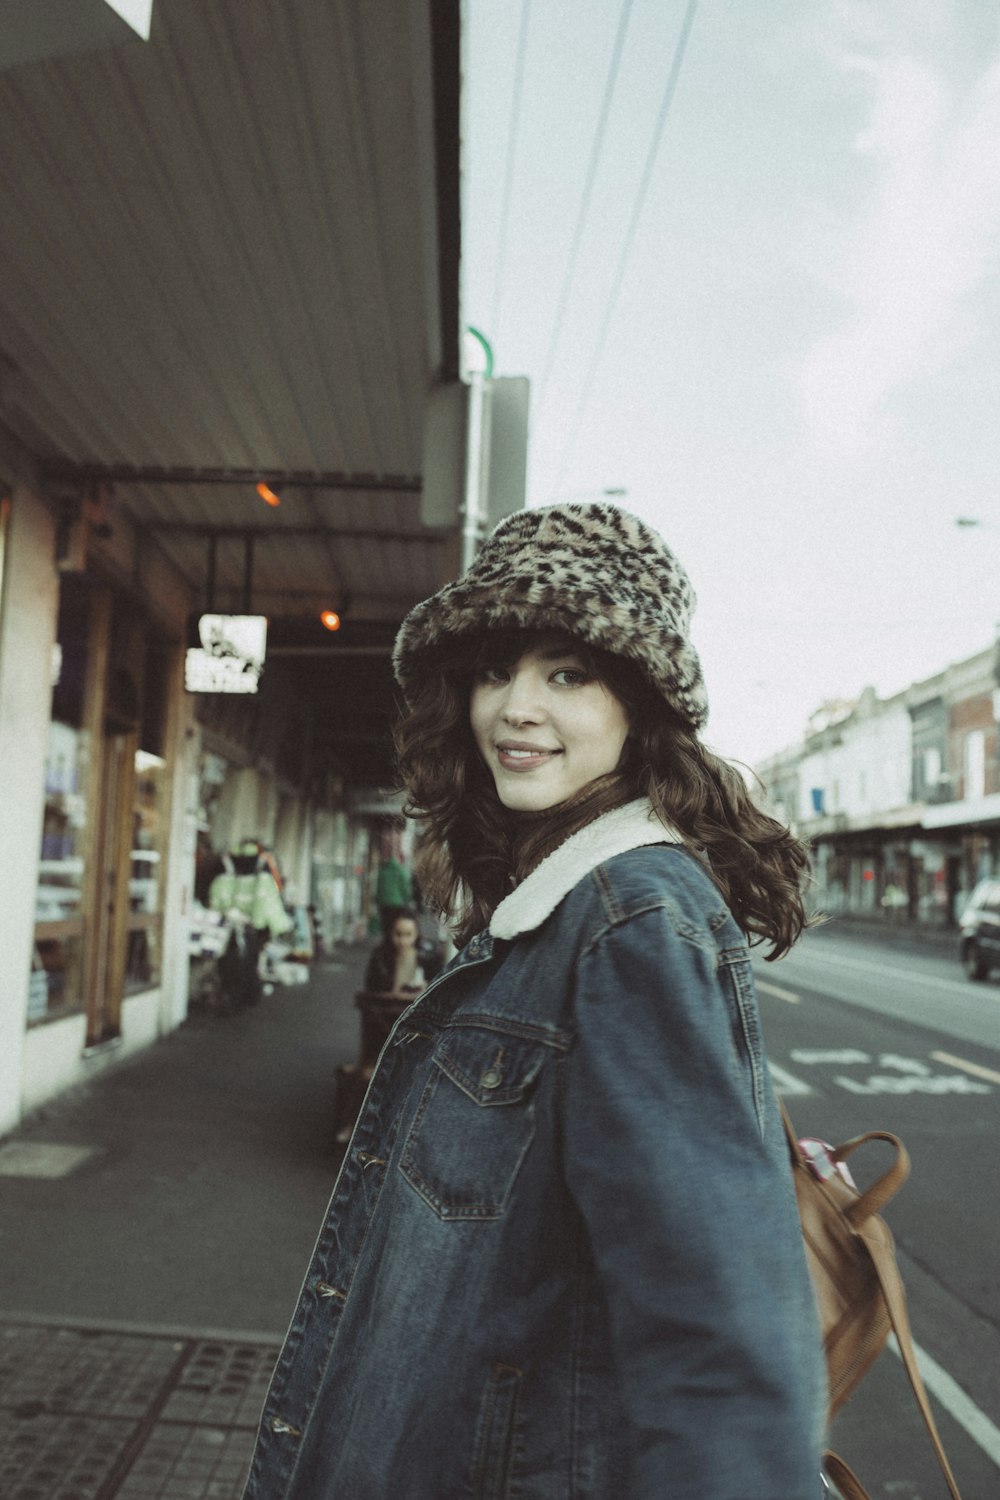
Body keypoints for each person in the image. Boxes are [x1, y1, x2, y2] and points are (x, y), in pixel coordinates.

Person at [242, 503, 826, 1500]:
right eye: (492, 669)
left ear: (637, 706)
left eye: (567, 673)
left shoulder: (628, 919)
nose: (514, 708)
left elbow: (719, 1332)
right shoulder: (545, 901)